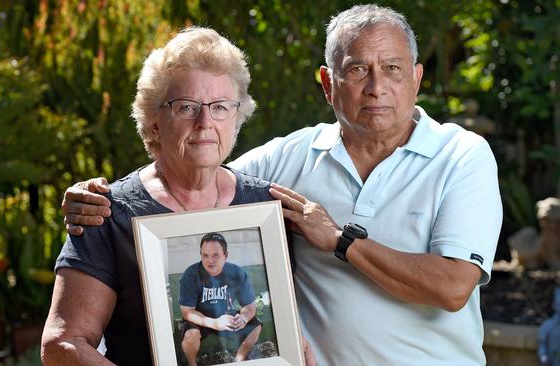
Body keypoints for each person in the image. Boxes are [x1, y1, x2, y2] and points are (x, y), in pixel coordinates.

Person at [61, 4, 503, 365]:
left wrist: (339, 240)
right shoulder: (287, 159)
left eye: (392, 68)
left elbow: (452, 287)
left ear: (417, 79)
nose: (376, 87)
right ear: (328, 84)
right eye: (357, 70)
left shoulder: (461, 155)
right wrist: (98, 198)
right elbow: (193, 165)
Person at [40, 27, 301, 366]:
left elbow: (291, 334)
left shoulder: (266, 208)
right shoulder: (107, 212)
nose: (205, 121)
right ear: (153, 123)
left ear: (237, 118)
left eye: (221, 107)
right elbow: (62, 344)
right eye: (186, 107)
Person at [179, 232, 262, 365]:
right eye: (205, 255)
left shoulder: (237, 273)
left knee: (255, 326)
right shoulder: (191, 274)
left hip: (225, 315)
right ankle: (191, 363)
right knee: (191, 335)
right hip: (199, 318)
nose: (210, 260)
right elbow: (186, 312)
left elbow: (250, 307)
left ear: (226, 255)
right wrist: (214, 323)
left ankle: (238, 359)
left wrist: (244, 318)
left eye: (216, 255)